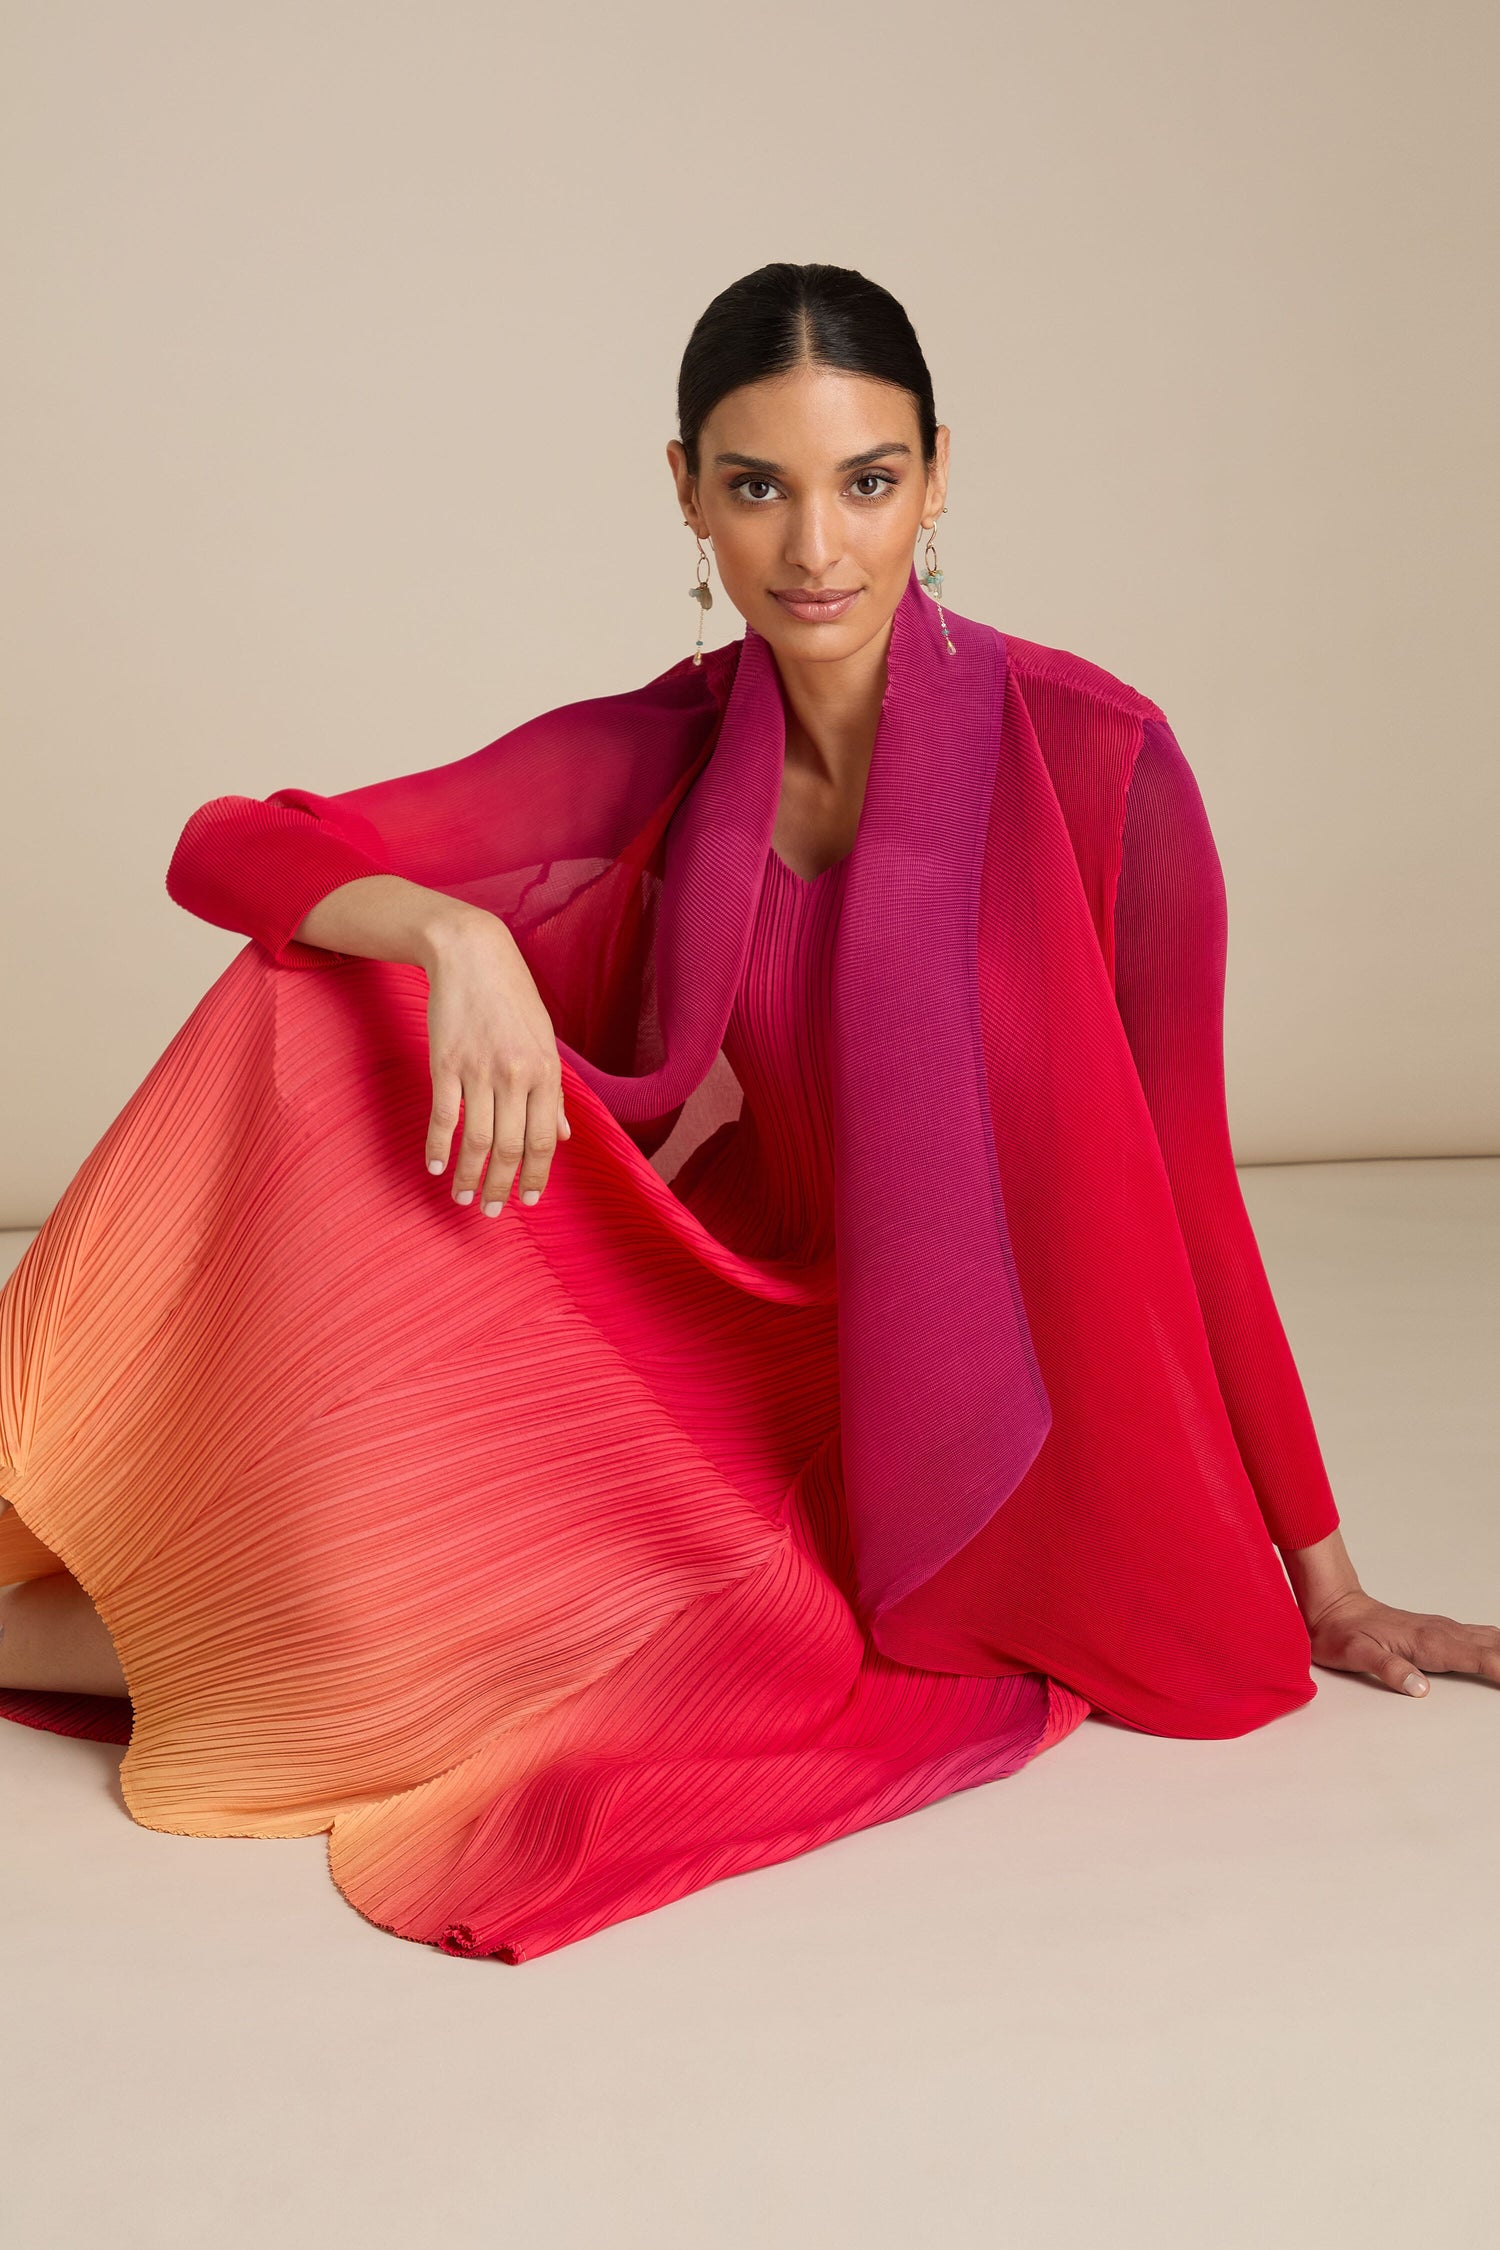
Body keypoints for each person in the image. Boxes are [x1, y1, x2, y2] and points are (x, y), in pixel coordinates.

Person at [2, 262, 1495, 1964]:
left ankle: (213, 1617)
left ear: (940, 475)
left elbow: (1192, 1191)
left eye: (866, 480)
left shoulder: (1104, 762)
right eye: (757, 485)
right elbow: (230, 845)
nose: (815, 549)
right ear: (686, 493)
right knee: (316, 993)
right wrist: (453, 927)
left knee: (424, 1625)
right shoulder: (667, 749)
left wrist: (1330, 1577)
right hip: (721, 1348)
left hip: (942, 1423)